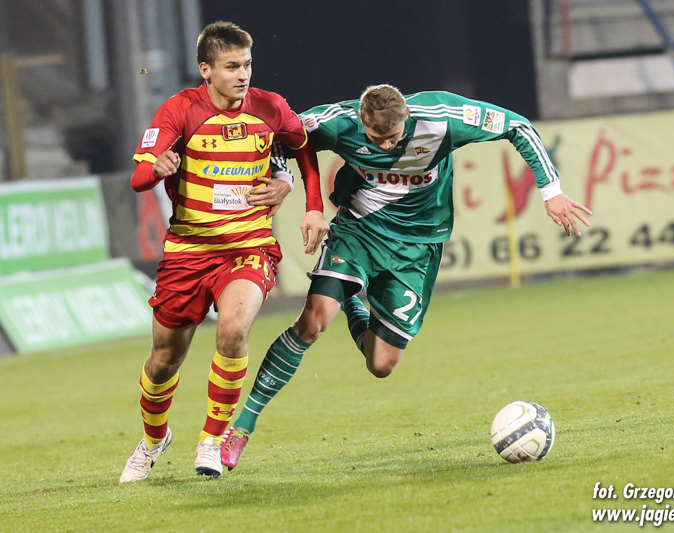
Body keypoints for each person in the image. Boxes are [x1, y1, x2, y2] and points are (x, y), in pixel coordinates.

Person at [219, 85, 591, 469]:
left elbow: (518, 126)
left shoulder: (443, 119)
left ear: (407, 118)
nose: (385, 147)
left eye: (393, 138)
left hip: (417, 248)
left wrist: (552, 191)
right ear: (361, 120)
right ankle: (242, 427)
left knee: (380, 364)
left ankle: (351, 298)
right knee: (313, 322)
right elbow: (281, 135)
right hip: (359, 231)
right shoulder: (338, 122)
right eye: (375, 139)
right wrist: (287, 181)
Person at [118, 21, 329, 483]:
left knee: (233, 331)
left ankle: (212, 439)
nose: (243, 74)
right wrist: (157, 168)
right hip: (188, 251)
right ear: (206, 69)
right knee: (163, 361)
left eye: (247, 64)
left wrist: (308, 201)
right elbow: (137, 179)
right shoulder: (179, 109)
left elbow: (304, 147)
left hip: (249, 248)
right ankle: (153, 440)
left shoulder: (271, 107)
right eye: (232, 66)